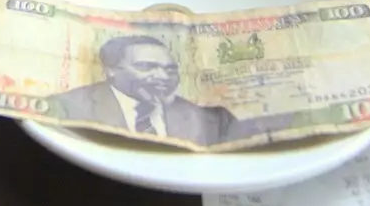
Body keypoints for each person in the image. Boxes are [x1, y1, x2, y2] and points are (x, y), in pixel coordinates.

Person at [49, 35, 236, 146]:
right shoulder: (68, 106)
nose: (163, 77)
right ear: (111, 70)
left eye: (170, 69)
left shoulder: (204, 119)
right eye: (146, 67)